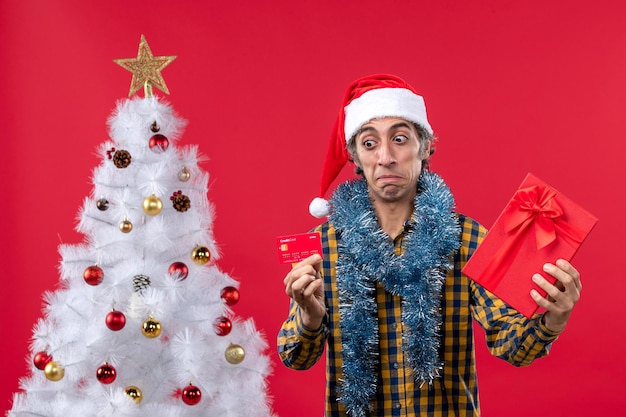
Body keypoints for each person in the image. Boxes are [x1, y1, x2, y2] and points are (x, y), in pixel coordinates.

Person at [276, 74, 582, 417]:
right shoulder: (321, 247)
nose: (386, 157)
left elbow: (512, 345)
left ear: (425, 147)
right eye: (369, 143)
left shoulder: (465, 237)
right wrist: (311, 316)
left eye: (400, 139)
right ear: (355, 157)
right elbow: (294, 357)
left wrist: (553, 320)